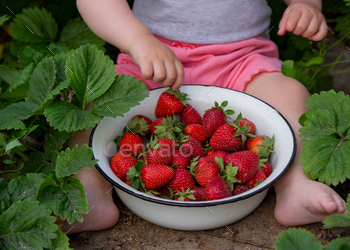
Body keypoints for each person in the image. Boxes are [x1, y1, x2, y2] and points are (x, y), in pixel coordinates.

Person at [59, 0, 347, 234]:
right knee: (93, 113)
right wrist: (137, 40)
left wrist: (306, 5)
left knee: (289, 94)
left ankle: (295, 183)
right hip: (148, 60)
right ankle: (89, 193)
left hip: (240, 59)